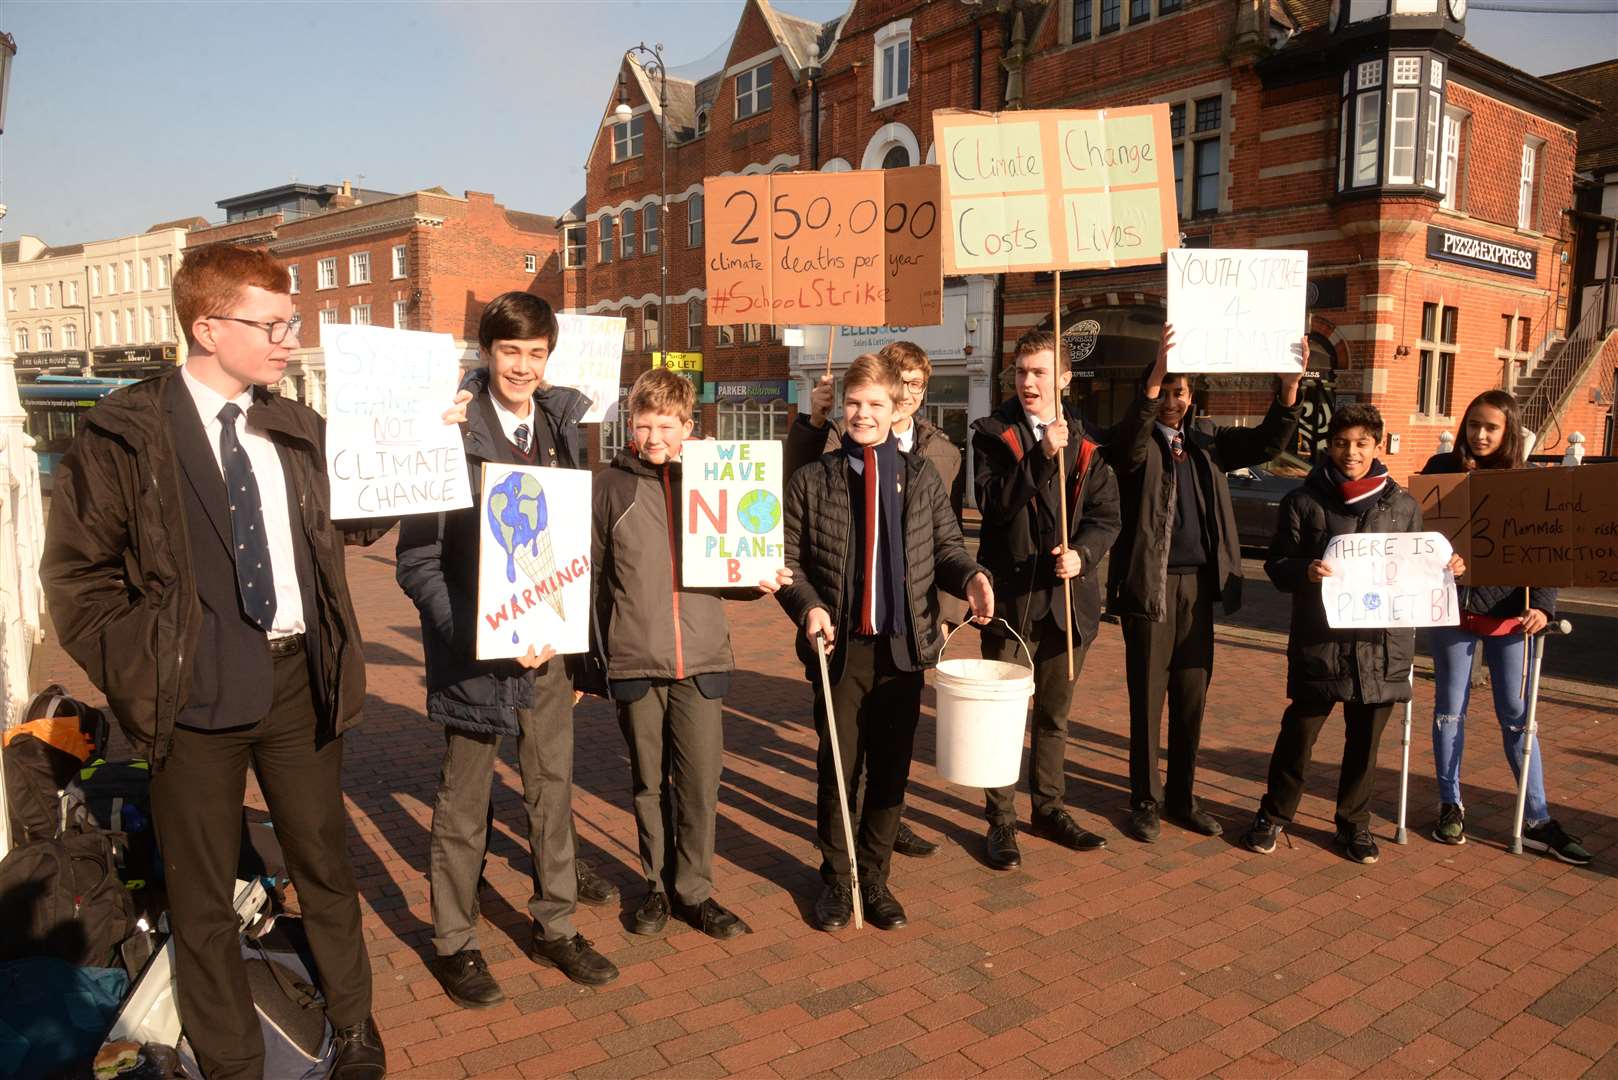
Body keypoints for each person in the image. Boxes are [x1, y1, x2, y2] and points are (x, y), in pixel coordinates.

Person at [41, 244, 386, 1077]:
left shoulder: (297, 426)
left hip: (300, 680)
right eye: (271, 325)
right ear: (207, 326)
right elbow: (77, 576)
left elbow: (360, 523)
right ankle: (233, 1061)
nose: (288, 340)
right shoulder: (125, 430)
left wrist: (411, 449)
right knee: (200, 896)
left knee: (323, 865)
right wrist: (147, 669)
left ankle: (356, 1029)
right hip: (189, 696)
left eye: (291, 322)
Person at [396, 292, 620, 1003]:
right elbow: (417, 562)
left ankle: (554, 925)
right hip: (475, 657)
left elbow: (572, 544)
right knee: (464, 806)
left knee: (552, 794)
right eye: (509, 351)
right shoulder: (448, 432)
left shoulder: (561, 428)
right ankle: (455, 942)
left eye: (535, 353)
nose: (522, 366)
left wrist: (576, 649)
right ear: (486, 354)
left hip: (548, 653)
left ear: (548, 356)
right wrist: (474, 634)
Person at [776, 352, 994, 931]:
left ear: (898, 406)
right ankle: (838, 880)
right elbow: (787, 560)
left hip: (902, 650)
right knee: (840, 769)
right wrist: (809, 606)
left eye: (875, 404)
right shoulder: (813, 479)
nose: (862, 414)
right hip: (839, 650)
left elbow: (946, 548)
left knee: (891, 770)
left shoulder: (919, 477)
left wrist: (973, 578)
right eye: (853, 403)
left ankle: (874, 880)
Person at [592, 368, 792, 940]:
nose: (654, 436)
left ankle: (695, 890)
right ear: (631, 425)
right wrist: (593, 657)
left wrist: (758, 577)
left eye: (667, 425)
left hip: (702, 658)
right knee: (648, 783)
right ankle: (655, 886)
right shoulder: (610, 487)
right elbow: (595, 577)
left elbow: (733, 570)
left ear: (687, 426)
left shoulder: (714, 482)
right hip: (636, 657)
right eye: (643, 423)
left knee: (701, 785)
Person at [1105, 327, 1303, 843]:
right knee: (1148, 700)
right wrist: (1151, 383)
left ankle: (1181, 797)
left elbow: (1266, 442)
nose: (1172, 401)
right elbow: (1125, 446)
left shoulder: (1208, 442)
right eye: (1165, 390)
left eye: (1180, 391)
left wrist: (1286, 393)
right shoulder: (1134, 441)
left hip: (1198, 588)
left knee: (1191, 698)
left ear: (1193, 397)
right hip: (1149, 587)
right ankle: (1144, 801)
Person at [1243, 404, 1464, 863]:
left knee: (1365, 746)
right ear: (1328, 446)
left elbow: (1420, 570)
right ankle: (1274, 814)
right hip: (1320, 642)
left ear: (1377, 446)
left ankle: (1354, 825)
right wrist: (1305, 570)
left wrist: (1448, 568)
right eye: (1342, 443)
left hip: (1382, 647)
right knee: (1298, 737)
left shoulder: (1403, 506)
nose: (1351, 453)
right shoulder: (1302, 501)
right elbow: (1276, 566)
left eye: (1362, 443)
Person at [971, 329, 1122, 871]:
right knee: (1003, 721)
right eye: (1020, 372)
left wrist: (1083, 553)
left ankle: (1050, 807)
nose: (1028, 382)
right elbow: (993, 503)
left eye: (1039, 372)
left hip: (1067, 604)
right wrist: (1040, 454)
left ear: (1063, 378)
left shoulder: (1088, 441)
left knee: (1054, 719)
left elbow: (1108, 518)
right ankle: (1001, 821)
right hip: (1011, 605)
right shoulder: (994, 433)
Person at [1419, 390, 1591, 864]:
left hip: (1511, 616)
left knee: (1517, 716)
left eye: (1490, 427)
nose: (1479, 434)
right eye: (1473, 424)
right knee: (1449, 709)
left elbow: (1548, 550)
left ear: (1508, 431)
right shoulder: (1440, 470)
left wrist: (1546, 609)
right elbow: (1415, 527)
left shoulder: (1528, 481)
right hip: (1451, 611)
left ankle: (1537, 818)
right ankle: (1450, 805)